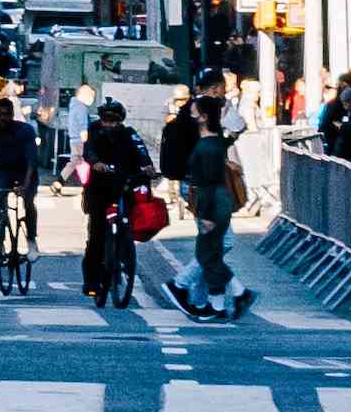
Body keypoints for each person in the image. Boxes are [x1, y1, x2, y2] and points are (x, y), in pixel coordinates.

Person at [166, 74, 251, 316]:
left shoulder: (193, 115)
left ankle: (204, 299)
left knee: (212, 245)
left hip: (202, 188)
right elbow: (236, 128)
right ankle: (190, 289)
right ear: (215, 89)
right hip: (205, 188)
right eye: (222, 90)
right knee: (217, 244)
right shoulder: (207, 112)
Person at [0, 80, 53, 298]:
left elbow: (31, 162)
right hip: (4, 170)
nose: (3, 119)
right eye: (0, 115)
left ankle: (31, 239)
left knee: (28, 202)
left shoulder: (25, 131)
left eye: (7, 115)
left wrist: (25, 186)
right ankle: (0, 241)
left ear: (12, 115)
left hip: (25, 171)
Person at [75, 96, 151, 315]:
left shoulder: (129, 134)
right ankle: (92, 282)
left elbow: (141, 151)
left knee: (128, 221)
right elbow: (89, 151)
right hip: (98, 189)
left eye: (114, 121)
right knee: (97, 235)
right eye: (106, 120)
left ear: (121, 121)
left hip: (123, 184)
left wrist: (147, 167)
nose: (110, 124)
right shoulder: (95, 130)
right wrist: (96, 163)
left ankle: (124, 251)